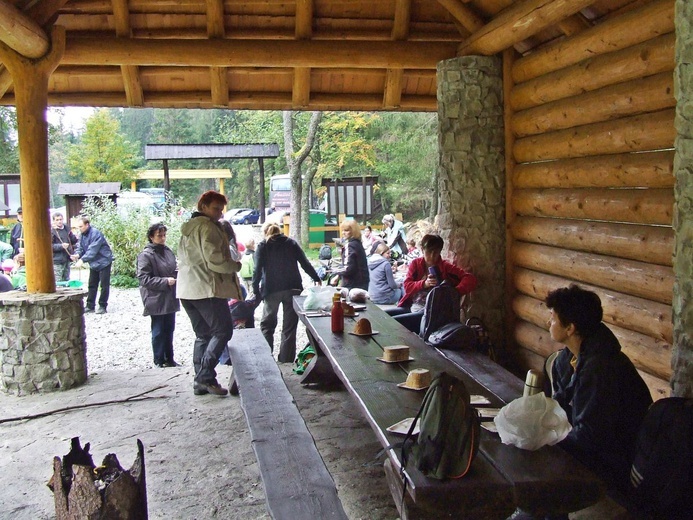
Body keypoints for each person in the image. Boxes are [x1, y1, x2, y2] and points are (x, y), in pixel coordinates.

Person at [545, 285, 652, 494]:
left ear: (570, 328)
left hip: (617, 463)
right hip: (592, 448)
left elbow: (591, 438)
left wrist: (546, 440)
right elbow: (559, 407)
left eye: (553, 317)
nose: (548, 322)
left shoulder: (602, 369)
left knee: (545, 471)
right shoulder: (568, 358)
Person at [178, 191, 242, 396]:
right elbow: (215, 260)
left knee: (203, 334)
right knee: (223, 331)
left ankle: (201, 382)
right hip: (206, 288)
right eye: (216, 208)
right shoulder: (207, 227)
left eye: (221, 210)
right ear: (203, 206)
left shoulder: (189, 228)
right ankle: (205, 376)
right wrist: (235, 266)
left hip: (187, 288)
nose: (220, 214)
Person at [252, 222, 321, 363]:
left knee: (267, 325)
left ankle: (267, 359)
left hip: (271, 290)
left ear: (266, 232)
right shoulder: (291, 243)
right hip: (292, 288)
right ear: (280, 231)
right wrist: (316, 277)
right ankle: (286, 360)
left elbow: (257, 270)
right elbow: (305, 262)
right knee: (289, 327)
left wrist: (255, 290)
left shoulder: (263, 246)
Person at [392, 234, 477, 333]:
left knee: (394, 324)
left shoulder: (445, 267)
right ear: (422, 250)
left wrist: (455, 293)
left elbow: (470, 278)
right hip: (413, 305)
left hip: (433, 313)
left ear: (440, 252)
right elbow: (407, 287)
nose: (432, 256)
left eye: (436, 253)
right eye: (429, 252)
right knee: (384, 317)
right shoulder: (415, 264)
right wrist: (424, 284)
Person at [137, 223, 181, 368]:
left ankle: (170, 359)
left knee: (170, 329)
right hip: (155, 297)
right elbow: (144, 279)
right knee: (158, 331)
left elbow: (173, 269)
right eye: (159, 236)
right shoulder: (145, 255)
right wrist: (164, 281)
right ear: (151, 237)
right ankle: (158, 359)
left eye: (164, 235)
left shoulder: (168, 251)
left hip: (169, 296)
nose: (162, 238)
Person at [71, 216, 113, 314]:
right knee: (92, 284)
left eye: (81, 226)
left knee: (104, 285)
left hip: (104, 261)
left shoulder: (96, 233)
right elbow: (80, 247)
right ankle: (90, 306)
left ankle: (102, 306)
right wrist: (77, 254)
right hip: (94, 262)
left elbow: (92, 249)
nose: (79, 229)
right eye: (78, 227)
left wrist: (82, 260)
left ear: (87, 225)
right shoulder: (82, 235)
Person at [331, 219, 369, 291]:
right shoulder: (358, 244)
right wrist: (338, 276)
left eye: (346, 230)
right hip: (363, 283)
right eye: (342, 230)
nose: (343, 233)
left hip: (352, 285)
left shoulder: (350, 245)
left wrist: (334, 271)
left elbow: (348, 268)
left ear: (353, 232)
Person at [51, 213, 78, 282]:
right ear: (53, 221)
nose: (59, 221)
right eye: (57, 220)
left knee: (66, 280)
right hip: (56, 260)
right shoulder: (52, 232)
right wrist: (61, 246)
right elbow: (49, 246)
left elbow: (73, 241)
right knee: (58, 281)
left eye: (60, 219)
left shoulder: (67, 229)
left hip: (66, 259)